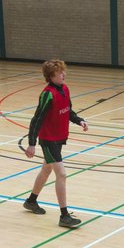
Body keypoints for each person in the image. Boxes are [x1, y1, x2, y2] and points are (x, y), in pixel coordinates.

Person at [23, 59, 88, 229]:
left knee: (46, 170)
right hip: (48, 140)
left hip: (59, 138)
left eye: (63, 71)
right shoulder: (47, 94)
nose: (64, 74)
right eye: (60, 72)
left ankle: (31, 201)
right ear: (51, 76)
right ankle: (64, 215)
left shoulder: (65, 89)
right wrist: (32, 143)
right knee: (62, 174)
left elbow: (68, 111)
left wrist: (79, 120)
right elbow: (36, 119)